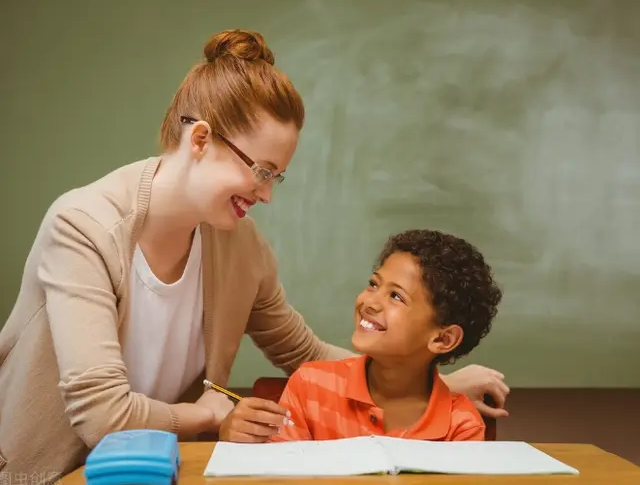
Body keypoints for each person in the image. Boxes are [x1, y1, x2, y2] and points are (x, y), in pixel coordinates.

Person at [0, 29, 508, 478]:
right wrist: (207, 414)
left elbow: (305, 353)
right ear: (200, 139)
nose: (266, 194)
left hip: (153, 471)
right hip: (41, 471)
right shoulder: (83, 227)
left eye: (276, 177)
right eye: (261, 171)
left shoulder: (240, 247)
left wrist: (435, 379)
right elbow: (102, 415)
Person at [264, 229, 503, 443]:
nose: (370, 302)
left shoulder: (461, 426)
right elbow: (281, 476)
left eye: (396, 297)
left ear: (443, 339)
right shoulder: (309, 387)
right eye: (373, 284)